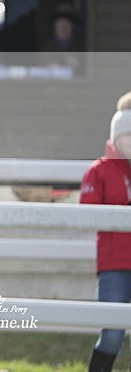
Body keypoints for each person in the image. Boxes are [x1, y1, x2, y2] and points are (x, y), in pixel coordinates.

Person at [81, 108, 131, 371]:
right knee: (112, 334)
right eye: (130, 135)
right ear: (118, 137)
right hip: (115, 264)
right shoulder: (100, 170)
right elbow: (88, 212)